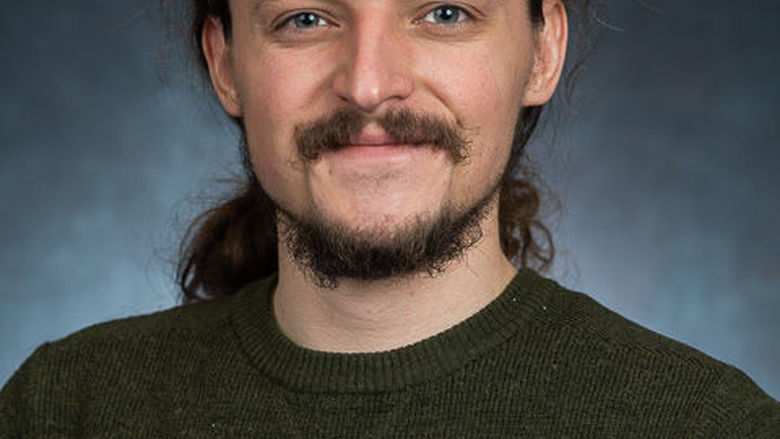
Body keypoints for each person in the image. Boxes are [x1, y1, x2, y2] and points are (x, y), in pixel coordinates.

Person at [2, 0, 778, 436]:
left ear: (542, 52)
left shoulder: (704, 423)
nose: (369, 86)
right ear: (225, 62)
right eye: (305, 18)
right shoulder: (66, 408)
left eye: (443, 12)